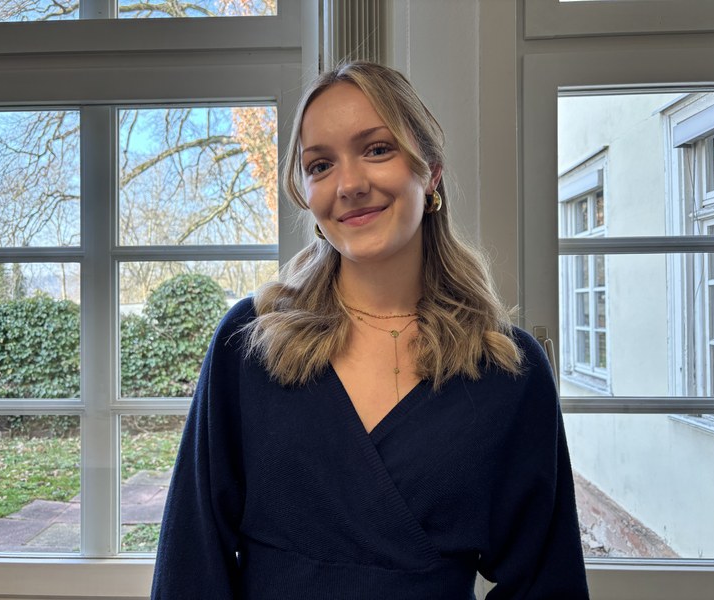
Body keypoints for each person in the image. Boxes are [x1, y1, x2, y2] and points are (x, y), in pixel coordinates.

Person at [151, 61, 590, 599]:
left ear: (431, 171)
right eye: (320, 165)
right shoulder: (248, 343)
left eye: (377, 149)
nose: (350, 185)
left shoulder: (506, 368)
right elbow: (191, 560)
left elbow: (548, 582)